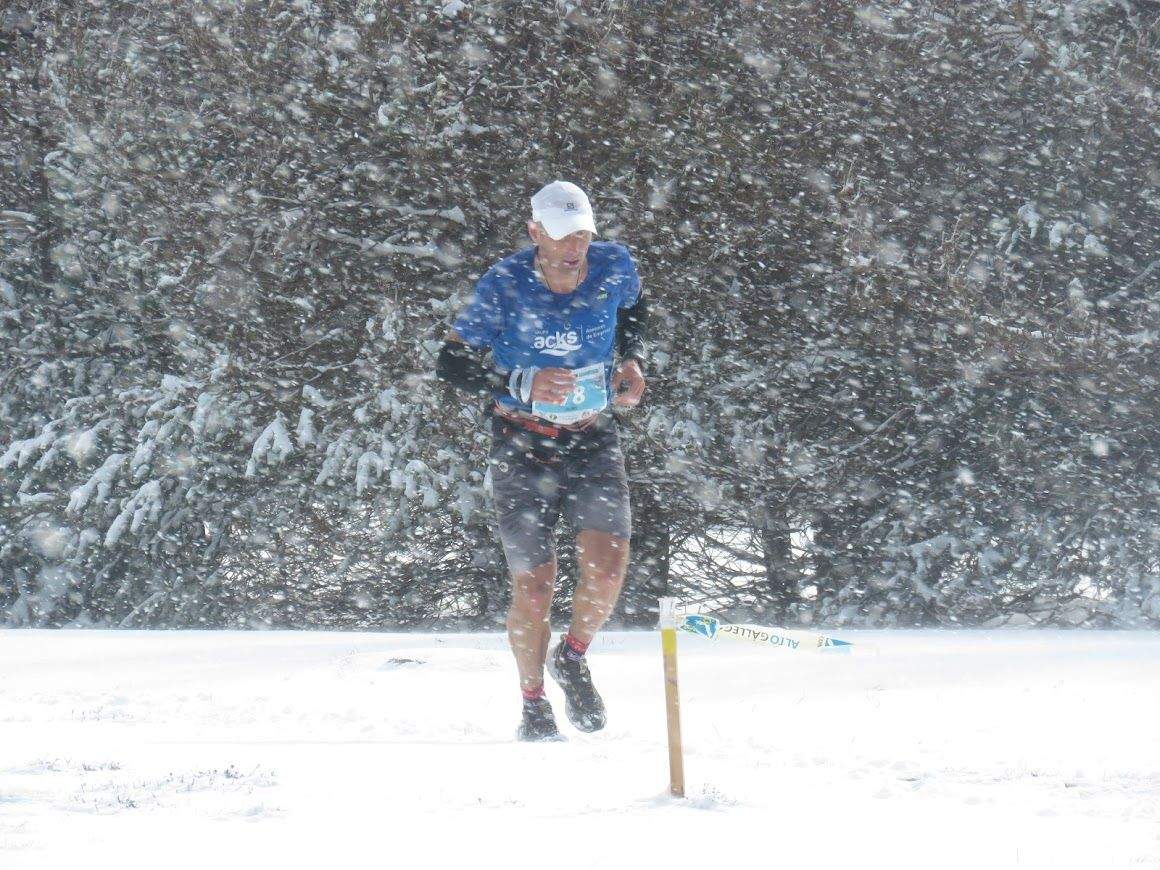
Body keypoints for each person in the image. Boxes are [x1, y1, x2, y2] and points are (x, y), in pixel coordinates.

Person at [436, 180, 649, 741]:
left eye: (581, 234)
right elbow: (451, 362)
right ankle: (532, 700)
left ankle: (573, 656)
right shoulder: (506, 283)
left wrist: (630, 361)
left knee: (608, 566)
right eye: (560, 236)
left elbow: (632, 313)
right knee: (534, 586)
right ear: (535, 233)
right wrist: (519, 380)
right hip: (521, 442)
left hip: (592, 436)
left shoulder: (613, 266)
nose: (573, 247)